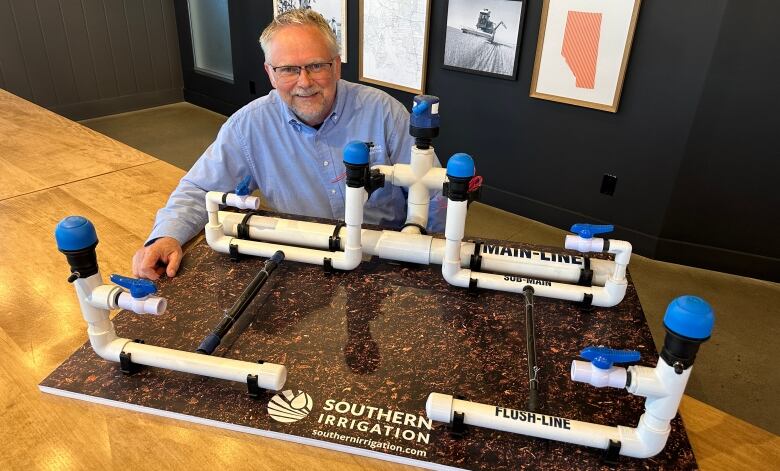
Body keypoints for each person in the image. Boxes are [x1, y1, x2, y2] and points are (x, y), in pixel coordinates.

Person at [132, 9, 445, 281]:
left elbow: (435, 197)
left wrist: (423, 263)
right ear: (270, 73)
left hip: (386, 262)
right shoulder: (248, 127)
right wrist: (166, 236)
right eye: (288, 70)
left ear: (336, 66)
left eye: (316, 66)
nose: (304, 82)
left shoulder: (384, 112)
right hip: (305, 263)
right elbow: (200, 188)